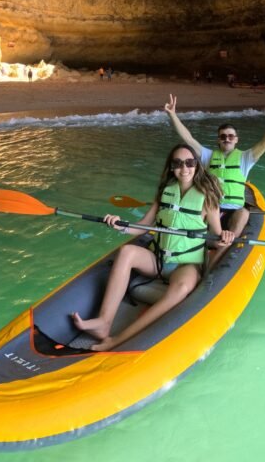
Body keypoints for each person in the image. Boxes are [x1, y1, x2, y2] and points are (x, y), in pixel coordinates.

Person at [72, 143, 235, 351]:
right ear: (171, 167)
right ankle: (104, 322)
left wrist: (225, 237)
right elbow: (143, 226)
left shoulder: (207, 198)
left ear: (197, 165)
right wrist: (120, 226)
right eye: (177, 163)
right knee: (126, 252)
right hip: (157, 259)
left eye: (189, 162)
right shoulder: (165, 192)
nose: (184, 168)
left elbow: (217, 235)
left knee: (181, 289)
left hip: (186, 265)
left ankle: (117, 340)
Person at [164, 94, 265, 265]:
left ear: (236, 140)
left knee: (244, 212)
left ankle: (218, 256)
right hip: (211, 208)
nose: (227, 139)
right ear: (218, 140)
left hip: (234, 212)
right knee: (200, 211)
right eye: (223, 136)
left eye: (231, 136)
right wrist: (172, 114)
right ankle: (192, 247)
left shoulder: (246, 158)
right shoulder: (208, 156)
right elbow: (188, 139)